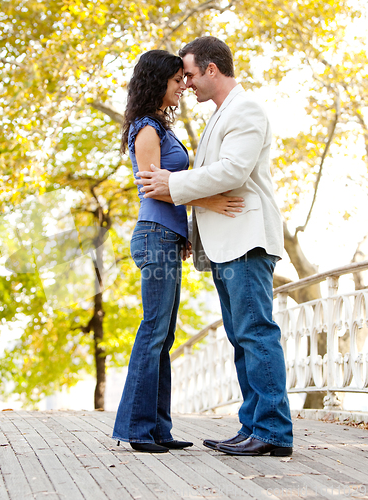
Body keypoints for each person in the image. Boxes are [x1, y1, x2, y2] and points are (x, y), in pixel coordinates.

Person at [135, 37, 294, 457]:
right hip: (225, 245)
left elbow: (234, 170)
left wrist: (174, 184)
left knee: (256, 335)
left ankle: (273, 431)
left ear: (211, 69)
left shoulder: (246, 109)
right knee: (242, 338)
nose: (185, 84)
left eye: (188, 73)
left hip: (246, 239)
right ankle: (253, 426)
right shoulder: (219, 116)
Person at [112, 50, 245, 453]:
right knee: (153, 331)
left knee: (163, 334)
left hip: (166, 237)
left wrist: (183, 231)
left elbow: (174, 187)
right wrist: (210, 203)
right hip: (153, 235)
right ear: (158, 83)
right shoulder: (147, 129)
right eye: (175, 82)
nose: (182, 87)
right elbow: (155, 187)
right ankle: (137, 428)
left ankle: (159, 429)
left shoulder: (159, 127)